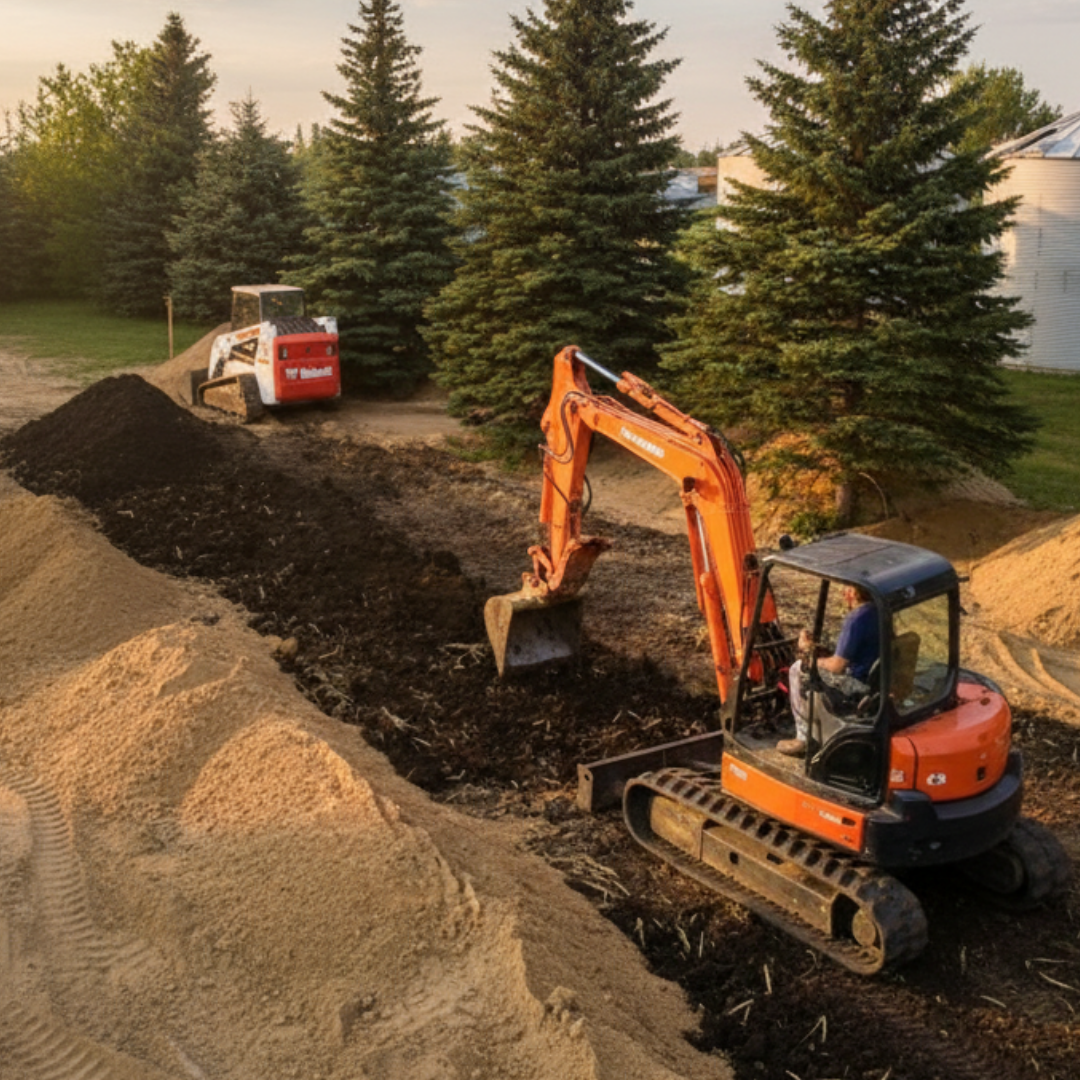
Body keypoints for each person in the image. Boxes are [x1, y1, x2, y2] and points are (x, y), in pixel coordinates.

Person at [778, 583, 880, 758]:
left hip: (856, 684)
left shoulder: (856, 619)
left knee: (797, 669)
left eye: (847, 588)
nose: (843, 593)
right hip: (877, 678)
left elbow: (837, 666)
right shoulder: (880, 610)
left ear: (854, 592)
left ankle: (803, 738)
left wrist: (809, 652)